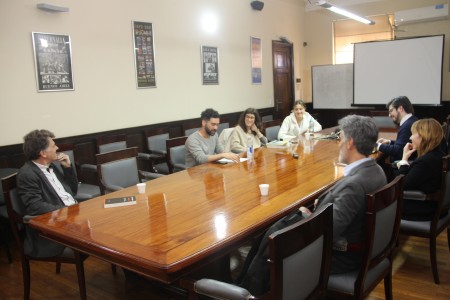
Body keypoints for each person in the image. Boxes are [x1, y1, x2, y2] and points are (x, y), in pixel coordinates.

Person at [238, 115, 386, 296]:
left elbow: (327, 232)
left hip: (340, 257)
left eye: (340, 139)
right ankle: (243, 286)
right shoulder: (375, 170)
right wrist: (320, 206)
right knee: (269, 235)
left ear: (350, 143)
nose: (338, 144)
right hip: (355, 246)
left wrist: (310, 216)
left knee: (273, 242)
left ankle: (248, 292)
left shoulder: (354, 185)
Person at [16, 129, 78, 258]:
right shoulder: (27, 174)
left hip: (73, 216)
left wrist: (67, 168)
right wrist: (67, 211)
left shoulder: (52, 166)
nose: (57, 147)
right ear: (43, 153)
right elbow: (35, 206)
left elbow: (72, 191)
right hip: (56, 225)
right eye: (53, 145)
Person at [397, 118, 446, 221]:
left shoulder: (425, 161)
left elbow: (401, 185)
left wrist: (404, 159)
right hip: (437, 208)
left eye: (413, 134)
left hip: (424, 209)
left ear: (423, 136)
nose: (410, 137)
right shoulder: (439, 154)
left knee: (379, 209)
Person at [377, 96, 418, 162]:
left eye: (391, 111)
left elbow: (398, 151)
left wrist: (377, 145)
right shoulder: (411, 121)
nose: (389, 115)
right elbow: (404, 144)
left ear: (400, 108)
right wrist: (389, 142)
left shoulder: (407, 125)